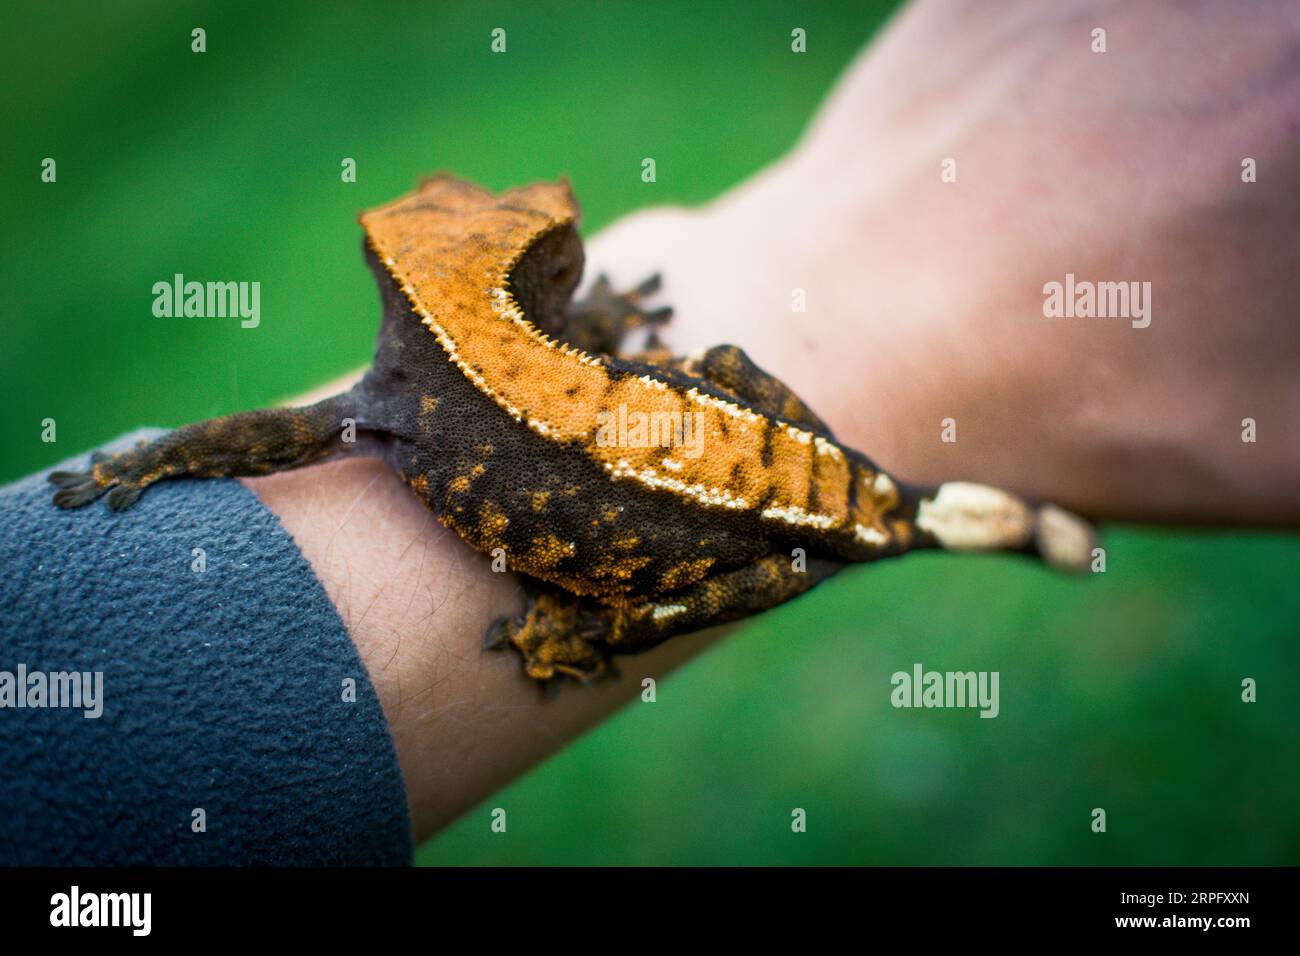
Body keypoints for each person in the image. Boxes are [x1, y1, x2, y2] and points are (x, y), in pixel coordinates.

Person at [3, 0, 1296, 861]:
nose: (567, 237)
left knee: (713, 480)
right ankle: (911, 529)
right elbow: (255, 444)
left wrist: (147, 462)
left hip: (711, 488)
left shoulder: (376, 413)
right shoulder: (401, 411)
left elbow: (259, 442)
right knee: (703, 514)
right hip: (682, 492)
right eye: (560, 251)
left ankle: (912, 525)